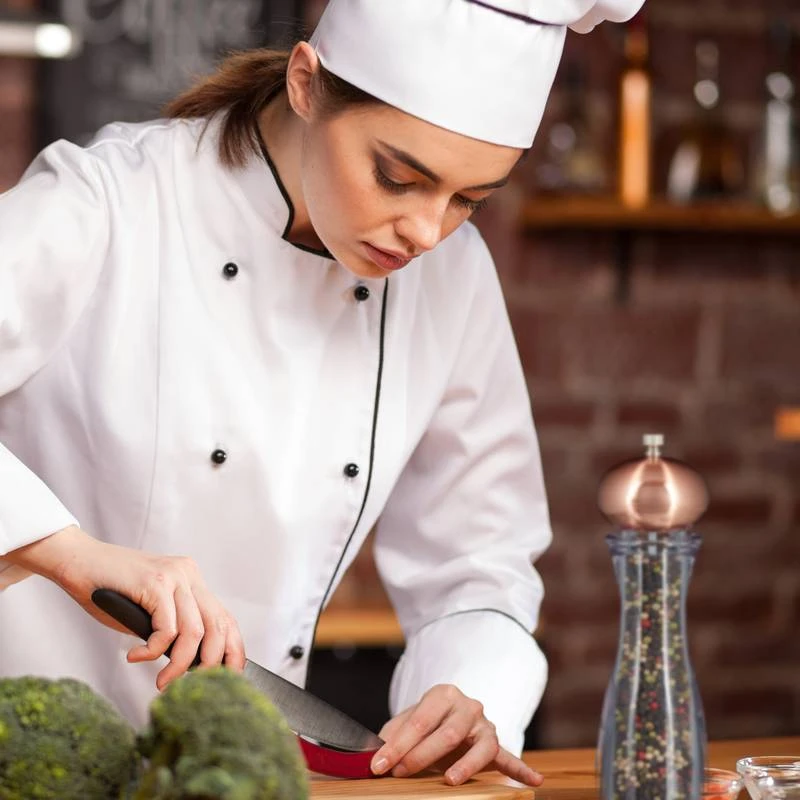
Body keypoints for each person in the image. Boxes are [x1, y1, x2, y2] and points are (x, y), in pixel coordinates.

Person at [0, 0, 643, 787]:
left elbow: (480, 560)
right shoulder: (110, 201)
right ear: (305, 84)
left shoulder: (453, 278)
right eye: (398, 178)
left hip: (237, 776)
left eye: (469, 198)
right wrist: (68, 553)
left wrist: (467, 692)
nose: (426, 231)